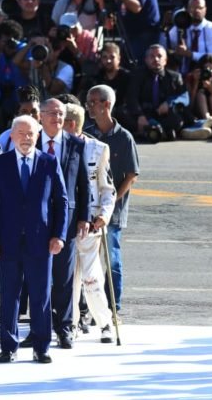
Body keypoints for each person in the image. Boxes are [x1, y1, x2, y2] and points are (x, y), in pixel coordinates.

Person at [0, 115, 68, 364]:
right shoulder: (0, 164)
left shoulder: (49, 162)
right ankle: (8, 346)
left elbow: (61, 202)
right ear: (12, 135)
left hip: (41, 241)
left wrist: (58, 235)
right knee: (9, 295)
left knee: (41, 295)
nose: (26, 138)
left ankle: (41, 346)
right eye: (21, 133)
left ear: (37, 136)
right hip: (7, 240)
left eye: (31, 133)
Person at [29, 99, 89, 350]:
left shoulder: (76, 144)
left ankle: (64, 328)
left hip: (68, 219)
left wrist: (85, 216)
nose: (57, 118)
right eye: (52, 113)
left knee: (64, 277)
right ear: (40, 116)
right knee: (37, 277)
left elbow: (83, 183)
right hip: (36, 218)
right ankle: (38, 328)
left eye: (61, 114)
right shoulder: (31, 141)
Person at [84, 84, 139, 339]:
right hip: (89, 208)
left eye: (93, 102)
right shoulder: (88, 134)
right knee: (88, 260)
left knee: (112, 260)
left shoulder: (123, 136)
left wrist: (114, 200)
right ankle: (88, 309)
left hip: (112, 210)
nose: (89, 106)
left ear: (106, 105)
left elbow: (131, 175)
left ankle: (114, 306)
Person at [62, 104, 117, 343]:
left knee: (92, 278)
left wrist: (105, 214)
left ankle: (104, 323)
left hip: (92, 223)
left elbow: (108, 189)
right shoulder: (56, 148)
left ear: (71, 124)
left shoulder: (98, 149)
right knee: (68, 279)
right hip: (65, 222)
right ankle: (70, 324)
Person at [125, 44, 188, 141]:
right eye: (152, 56)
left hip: (164, 114)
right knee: (124, 114)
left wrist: (169, 103)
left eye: (159, 56)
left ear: (165, 60)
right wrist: (140, 115)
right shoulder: (137, 75)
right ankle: (158, 131)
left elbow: (184, 97)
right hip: (145, 113)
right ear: (146, 60)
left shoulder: (175, 77)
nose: (156, 59)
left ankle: (155, 131)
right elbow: (132, 98)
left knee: (177, 118)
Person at [166, 0, 212, 75]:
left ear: (205, 10)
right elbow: (169, 48)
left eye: (200, 8)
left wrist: (189, 54)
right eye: (193, 8)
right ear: (187, 9)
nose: (196, 11)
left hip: (206, 73)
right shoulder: (178, 27)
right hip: (181, 73)